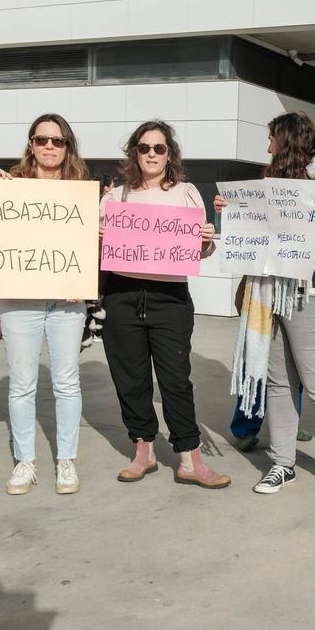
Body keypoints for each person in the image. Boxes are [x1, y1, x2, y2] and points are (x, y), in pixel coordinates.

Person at [219, 111, 315, 504]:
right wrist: (233, 211)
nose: (268, 147)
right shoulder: (277, 184)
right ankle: (283, 463)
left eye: (272, 140)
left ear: (287, 142)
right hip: (273, 294)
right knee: (280, 385)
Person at [100, 120, 229, 490]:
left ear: (169, 154)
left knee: (175, 380)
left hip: (170, 298)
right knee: (131, 379)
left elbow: (200, 251)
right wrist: (97, 235)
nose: (152, 154)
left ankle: (190, 458)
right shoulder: (115, 197)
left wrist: (206, 239)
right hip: (123, 295)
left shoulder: (187, 193)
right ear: (135, 153)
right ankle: (143, 449)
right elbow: (98, 250)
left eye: (159, 148)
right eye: (144, 148)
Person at [0, 114, 90, 496]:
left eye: (57, 140)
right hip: (19, 300)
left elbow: (94, 246)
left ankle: (66, 460)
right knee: (21, 384)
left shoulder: (82, 191)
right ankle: (25, 461)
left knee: (67, 382)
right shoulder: (9, 186)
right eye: (42, 139)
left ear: (68, 147)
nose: (49, 146)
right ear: (31, 144)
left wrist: (84, 276)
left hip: (67, 301)